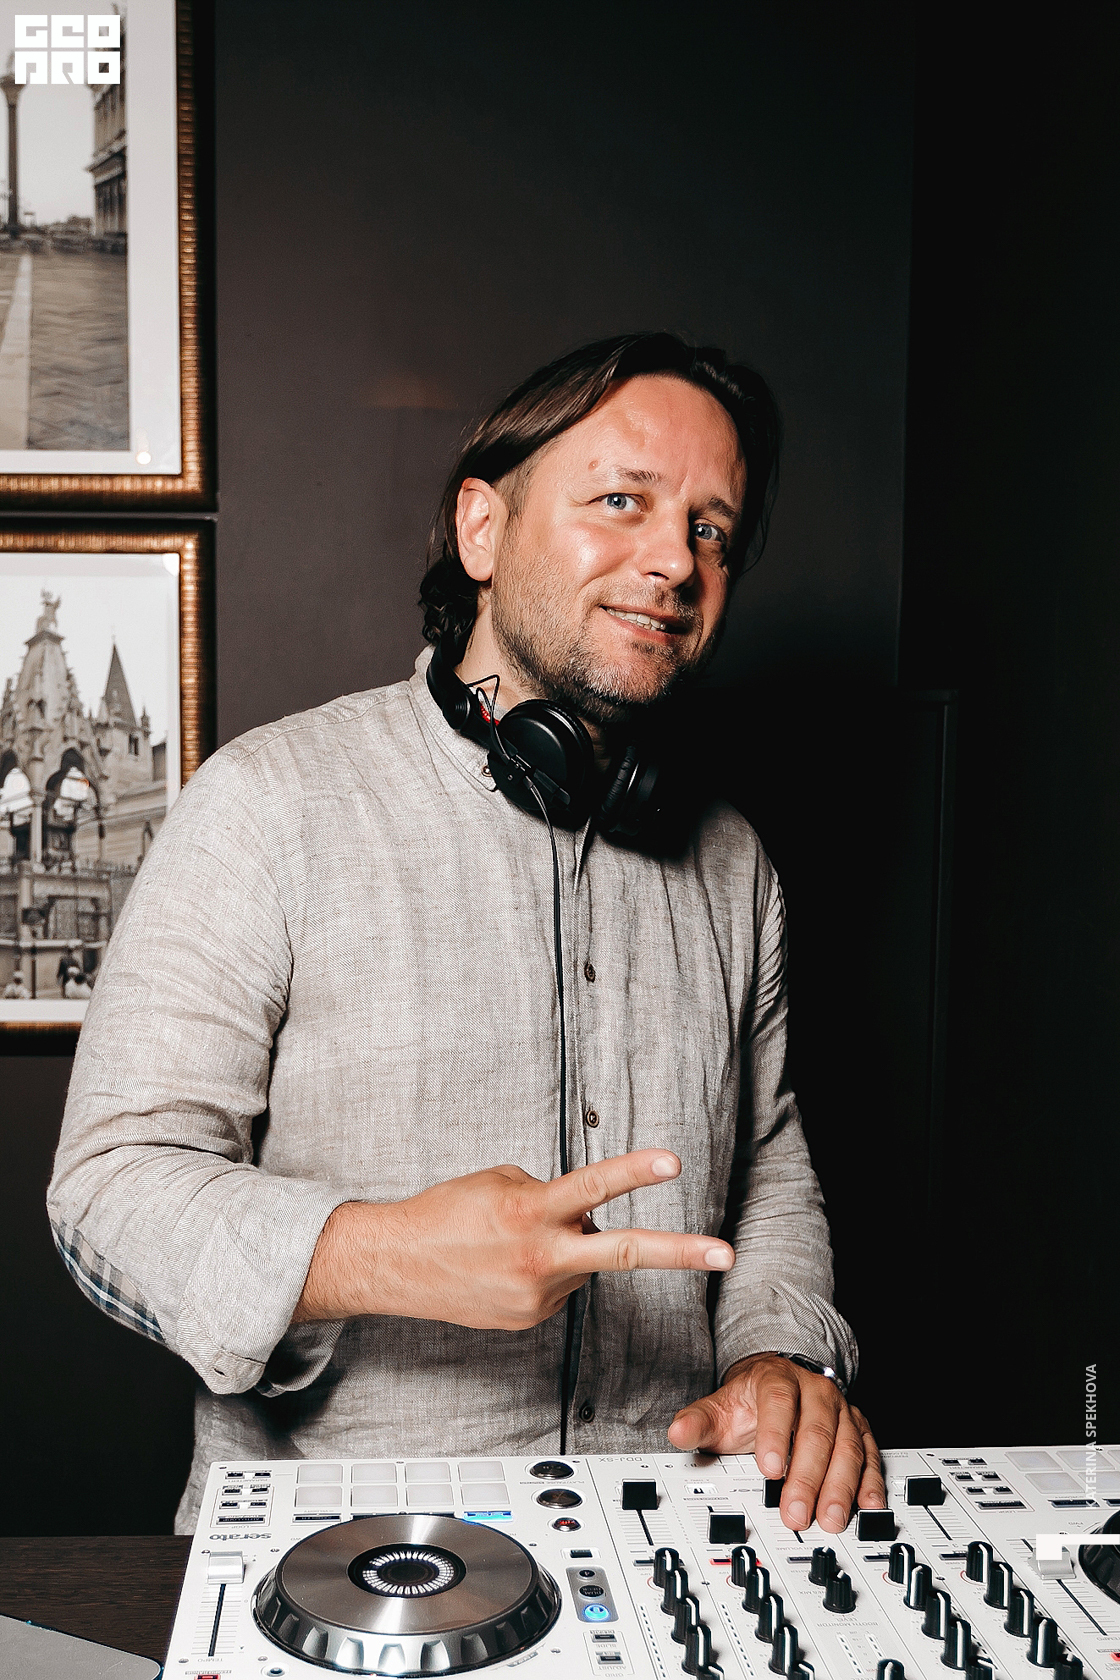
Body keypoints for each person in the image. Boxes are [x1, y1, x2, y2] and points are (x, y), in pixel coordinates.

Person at [48, 332, 885, 1535]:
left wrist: (778, 1355)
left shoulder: (733, 861)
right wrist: (380, 1254)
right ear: (482, 530)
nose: (674, 561)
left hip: (667, 1544)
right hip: (336, 1561)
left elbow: (766, 1164)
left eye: (710, 529)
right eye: (621, 501)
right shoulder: (266, 803)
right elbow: (107, 1191)